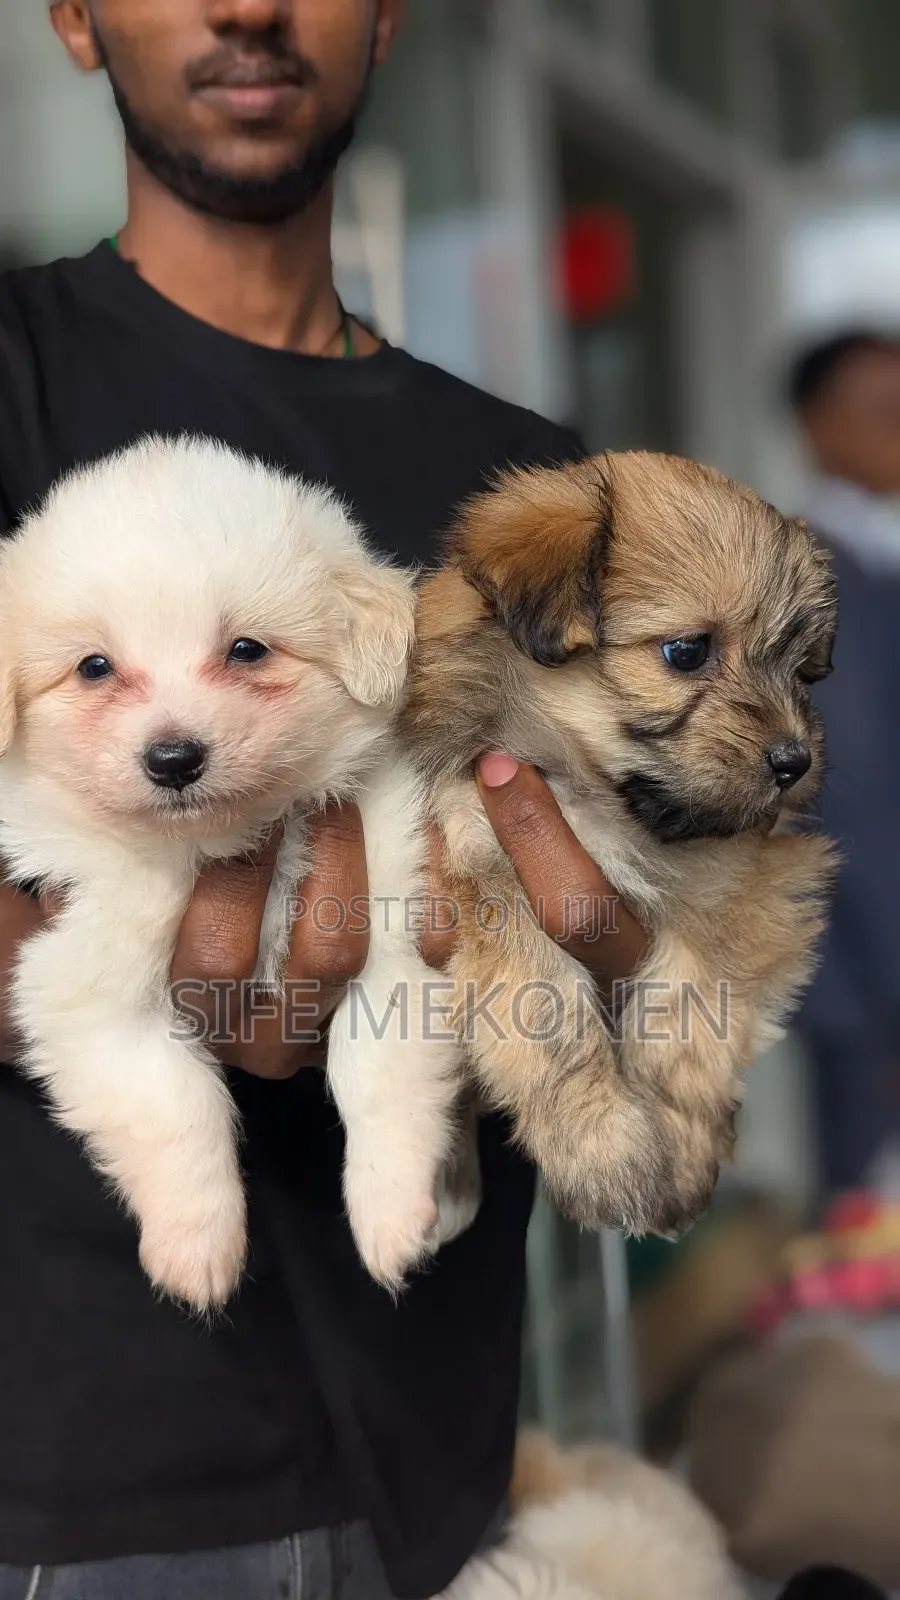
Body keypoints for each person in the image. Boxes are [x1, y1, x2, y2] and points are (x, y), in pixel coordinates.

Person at [0, 4, 648, 1598]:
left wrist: (590, 969)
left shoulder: (532, 486)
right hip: (69, 1462)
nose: (247, 7)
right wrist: (110, 973)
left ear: (388, 18)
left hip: (429, 1438)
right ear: (75, 21)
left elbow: (615, 925)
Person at [790, 331, 900, 1197]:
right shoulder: (821, 579)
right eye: (885, 412)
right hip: (872, 992)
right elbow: (855, 797)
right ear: (815, 428)